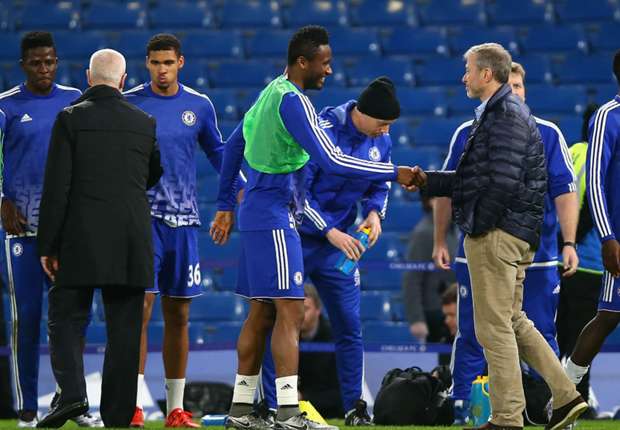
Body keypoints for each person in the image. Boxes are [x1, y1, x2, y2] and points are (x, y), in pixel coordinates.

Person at [210, 26, 415, 430]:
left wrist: (224, 205)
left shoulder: (271, 91)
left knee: (261, 313)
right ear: (302, 62)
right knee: (290, 310)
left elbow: (233, 145)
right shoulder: (297, 103)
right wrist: (397, 172)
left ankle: (241, 412)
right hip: (279, 213)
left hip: (260, 207)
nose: (329, 70)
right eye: (323, 63)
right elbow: (333, 161)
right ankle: (287, 413)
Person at [410, 43, 586, 430]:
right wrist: (427, 181)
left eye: (468, 70)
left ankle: (507, 418)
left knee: (493, 329)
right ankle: (566, 395)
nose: (464, 77)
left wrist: (479, 225)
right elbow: (477, 179)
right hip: (516, 234)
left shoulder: (501, 116)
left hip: (496, 235)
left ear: (486, 74)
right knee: (515, 321)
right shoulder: (503, 114)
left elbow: (502, 183)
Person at [260, 76, 401, 426]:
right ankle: (274, 406)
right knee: (277, 319)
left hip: (336, 250)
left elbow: (379, 182)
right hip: (295, 237)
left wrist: (374, 212)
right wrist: (330, 231)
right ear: (363, 114)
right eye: (382, 124)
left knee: (350, 325)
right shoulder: (319, 129)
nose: (386, 132)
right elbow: (297, 193)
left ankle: (355, 407)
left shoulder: (380, 140)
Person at [36, 49, 162, 428]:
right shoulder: (145, 121)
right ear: (123, 81)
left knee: (65, 319)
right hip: (130, 240)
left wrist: (48, 245)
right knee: (124, 331)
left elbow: (57, 186)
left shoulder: (70, 119)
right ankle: (119, 417)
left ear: (89, 77)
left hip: (80, 238)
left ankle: (73, 396)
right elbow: (152, 173)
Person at [124, 33, 237, 428]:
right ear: (147, 64)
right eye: (155, 63)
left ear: (181, 63)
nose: (162, 70)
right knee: (139, 311)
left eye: (168, 63)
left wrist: (236, 192)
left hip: (184, 224)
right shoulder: (130, 102)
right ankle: (134, 406)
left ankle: (175, 409)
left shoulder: (199, 105)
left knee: (179, 314)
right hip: (142, 222)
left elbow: (219, 152)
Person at [0, 31, 95, 428]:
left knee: (72, 320)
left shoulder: (74, 100)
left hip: (66, 232)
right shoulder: (5, 106)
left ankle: (71, 402)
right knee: (27, 319)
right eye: (36, 63)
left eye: (50, 62)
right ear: (24, 65)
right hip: (22, 230)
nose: (44, 69)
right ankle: (26, 409)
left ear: (57, 62)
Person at [564, 50, 620, 394]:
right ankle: (564, 392)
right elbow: (595, 182)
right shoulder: (607, 117)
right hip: (617, 240)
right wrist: (608, 237)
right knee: (607, 316)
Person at [555, 103, 602, 414]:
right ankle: (576, 400)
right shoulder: (599, 156)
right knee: (583, 338)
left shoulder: (571, 152)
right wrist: (572, 240)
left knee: (563, 333)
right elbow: (588, 206)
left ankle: (558, 395)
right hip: (592, 262)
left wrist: (561, 242)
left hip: (562, 260)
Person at [402, 195, 457, 343]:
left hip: (451, 308)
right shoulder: (424, 232)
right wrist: (416, 319)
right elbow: (412, 277)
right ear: (432, 202)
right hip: (436, 312)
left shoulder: (453, 229)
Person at [297, 284, 343, 419]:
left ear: (318, 310)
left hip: (329, 414)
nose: (299, 315)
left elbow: (339, 394)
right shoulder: (282, 338)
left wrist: (303, 398)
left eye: (305, 309)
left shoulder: (336, 340)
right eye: (296, 310)